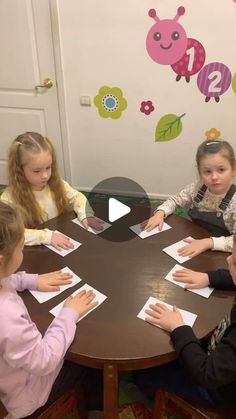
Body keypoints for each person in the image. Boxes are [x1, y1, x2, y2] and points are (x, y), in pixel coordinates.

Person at [0, 201, 102, 418]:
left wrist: (31, 280)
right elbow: (44, 360)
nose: (23, 252)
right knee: (90, 360)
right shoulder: (6, 316)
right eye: (21, 248)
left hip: (14, 374)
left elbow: (7, 279)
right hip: (28, 393)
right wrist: (69, 313)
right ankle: (96, 409)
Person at [134, 232, 236, 408]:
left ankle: (152, 396)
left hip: (218, 389)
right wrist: (209, 277)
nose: (227, 261)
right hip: (218, 356)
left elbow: (206, 375)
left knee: (144, 373)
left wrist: (178, 327)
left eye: (234, 261)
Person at [1, 132, 103, 249]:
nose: (45, 175)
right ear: (19, 169)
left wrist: (85, 215)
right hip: (33, 251)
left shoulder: (55, 184)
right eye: (36, 171)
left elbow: (77, 197)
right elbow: (9, 233)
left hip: (60, 241)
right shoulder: (9, 198)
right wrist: (47, 236)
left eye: (48, 168)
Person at [143, 140, 236, 256]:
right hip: (192, 240)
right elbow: (176, 200)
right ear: (199, 172)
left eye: (221, 170)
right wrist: (160, 213)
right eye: (207, 171)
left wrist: (209, 243)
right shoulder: (198, 188)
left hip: (221, 252)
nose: (214, 177)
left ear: (233, 169)